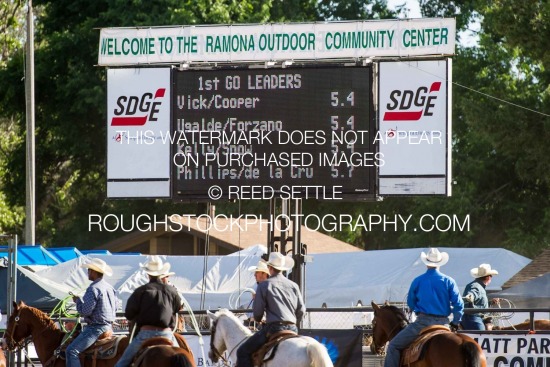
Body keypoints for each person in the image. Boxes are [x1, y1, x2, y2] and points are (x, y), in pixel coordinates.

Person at [384, 248, 464, 367]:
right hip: (444, 324)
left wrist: (417, 308)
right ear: (440, 263)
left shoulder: (418, 280)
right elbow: (459, 304)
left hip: (422, 323)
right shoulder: (449, 281)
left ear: (426, 263)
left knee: (393, 346)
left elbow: (411, 302)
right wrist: (456, 322)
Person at [237, 252, 305, 367]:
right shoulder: (294, 285)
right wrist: (292, 322)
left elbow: (257, 315)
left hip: (273, 329)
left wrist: (260, 318)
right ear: (282, 268)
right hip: (293, 328)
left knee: (242, 352)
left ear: (269, 268)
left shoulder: (264, 285)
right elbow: (301, 311)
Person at [115, 256, 182, 367]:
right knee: (182, 357)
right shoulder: (172, 291)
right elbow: (177, 308)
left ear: (148, 274)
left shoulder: (141, 291)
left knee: (121, 364)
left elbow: (129, 314)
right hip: (167, 334)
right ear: (161, 273)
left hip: (145, 335)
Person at [66, 258, 117, 367]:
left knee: (71, 351)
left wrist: (78, 301)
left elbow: (86, 311)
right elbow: (115, 307)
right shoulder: (110, 288)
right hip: (109, 327)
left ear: (93, 272)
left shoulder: (93, 288)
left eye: (89, 270)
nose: (88, 272)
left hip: (96, 329)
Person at [461, 263, 499, 330]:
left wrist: (490, 303)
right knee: (482, 336)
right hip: (473, 319)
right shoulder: (476, 286)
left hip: (476, 318)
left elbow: (478, 304)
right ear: (488, 277)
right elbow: (471, 294)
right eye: (491, 276)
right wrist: (470, 296)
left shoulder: (478, 286)